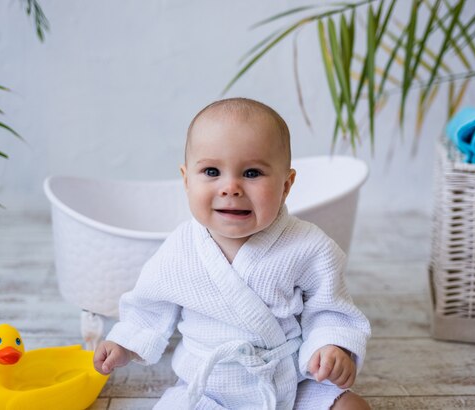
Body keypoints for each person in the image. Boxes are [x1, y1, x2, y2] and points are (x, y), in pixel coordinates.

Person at [93, 98, 371, 409]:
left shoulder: (308, 245)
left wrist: (331, 346)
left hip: (287, 381)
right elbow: (149, 307)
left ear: (286, 185)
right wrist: (124, 343)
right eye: (212, 171)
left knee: (351, 406)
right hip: (208, 387)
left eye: (252, 173)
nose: (231, 187)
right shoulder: (181, 247)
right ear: (186, 180)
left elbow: (329, 309)